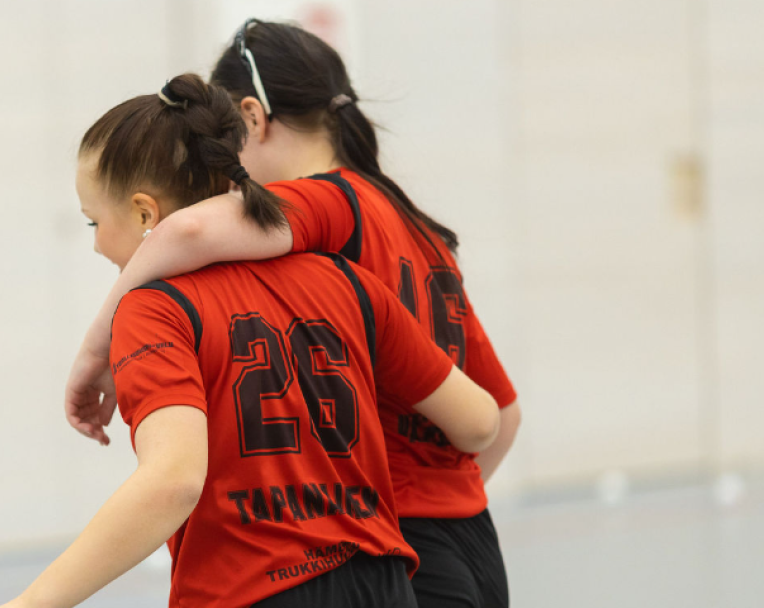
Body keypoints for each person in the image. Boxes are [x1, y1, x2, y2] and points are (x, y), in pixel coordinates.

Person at [64, 20, 521, 608]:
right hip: (464, 543)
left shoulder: (332, 202)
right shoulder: (418, 229)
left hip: (387, 543)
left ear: (252, 119)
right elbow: (496, 418)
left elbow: (191, 228)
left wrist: (92, 352)